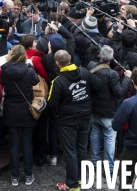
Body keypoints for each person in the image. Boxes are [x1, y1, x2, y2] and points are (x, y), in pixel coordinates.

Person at [47, 50, 102, 191]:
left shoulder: (57, 81)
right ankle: (80, 178)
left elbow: (51, 104)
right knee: (81, 148)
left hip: (67, 121)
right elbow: (98, 86)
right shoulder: (84, 72)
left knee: (70, 151)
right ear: (70, 58)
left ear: (57, 63)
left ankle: (72, 184)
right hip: (85, 117)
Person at [88, 46, 132, 173]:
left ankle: (95, 162)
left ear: (99, 56)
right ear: (112, 58)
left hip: (94, 109)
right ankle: (109, 167)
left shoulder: (92, 67)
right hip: (108, 112)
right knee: (109, 139)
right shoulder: (112, 74)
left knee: (95, 136)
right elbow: (119, 93)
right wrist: (127, 78)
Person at [0, 45, 39, 186]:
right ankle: (29, 174)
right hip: (26, 108)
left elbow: (3, 83)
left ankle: (14, 176)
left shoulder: (4, 70)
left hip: (11, 109)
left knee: (14, 144)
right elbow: (36, 81)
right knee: (27, 143)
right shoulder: (29, 71)